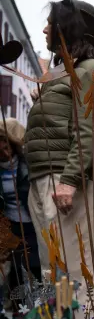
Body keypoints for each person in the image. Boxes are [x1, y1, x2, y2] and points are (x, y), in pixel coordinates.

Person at [24, 0, 94, 303]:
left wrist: (69, 180)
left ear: (70, 27)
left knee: (81, 275)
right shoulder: (73, 73)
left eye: (51, 24)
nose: (44, 30)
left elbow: (89, 130)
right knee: (58, 273)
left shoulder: (92, 69)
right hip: (54, 181)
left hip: (76, 185)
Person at [0, 119, 39, 286]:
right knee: (15, 272)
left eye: (6, 146)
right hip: (11, 225)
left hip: (32, 224)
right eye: (0, 150)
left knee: (36, 267)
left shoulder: (27, 164)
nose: (4, 152)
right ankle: (19, 311)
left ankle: (40, 309)